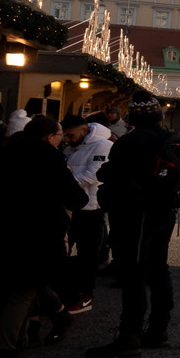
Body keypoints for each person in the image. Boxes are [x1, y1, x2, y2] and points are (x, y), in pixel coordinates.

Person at [0, 116, 86, 358]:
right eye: (60, 135)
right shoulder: (48, 157)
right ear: (50, 137)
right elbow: (76, 198)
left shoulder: (4, 152)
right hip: (33, 236)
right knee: (21, 294)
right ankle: (3, 355)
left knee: (1, 293)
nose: (62, 140)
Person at [86, 98, 180, 358]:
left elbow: (110, 174)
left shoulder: (129, 142)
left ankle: (130, 335)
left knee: (133, 272)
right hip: (165, 211)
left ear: (131, 119)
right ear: (159, 117)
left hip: (135, 215)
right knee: (159, 270)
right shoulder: (170, 138)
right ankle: (159, 330)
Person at [60, 113, 113, 314]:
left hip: (90, 209)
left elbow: (94, 175)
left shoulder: (103, 146)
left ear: (83, 130)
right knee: (62, 250)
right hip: (69, 208)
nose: (67, 139)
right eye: (64, 135)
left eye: (70, 135)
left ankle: (85, 294)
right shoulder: (70, 147)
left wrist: (63, 183)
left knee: (88, 255)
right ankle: (64, 291)